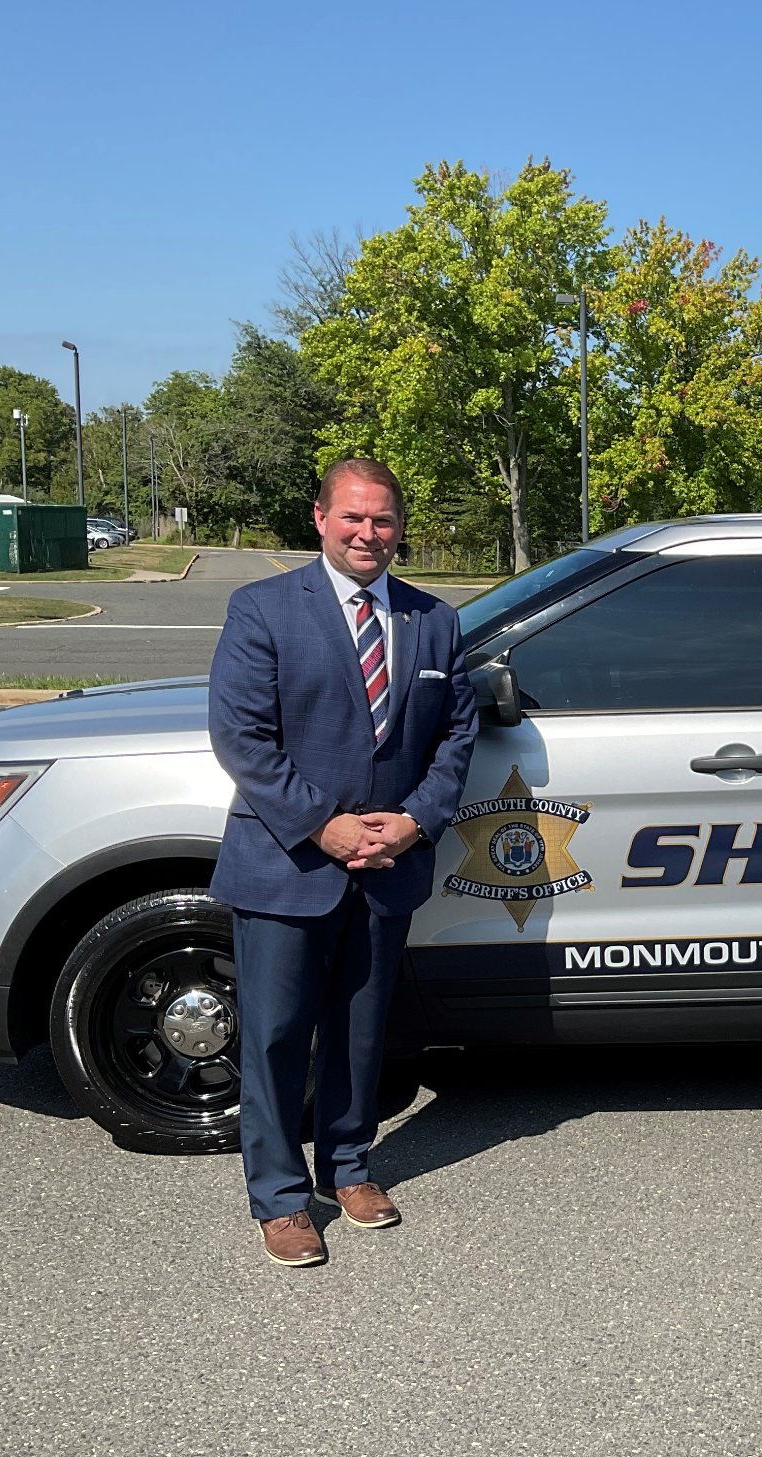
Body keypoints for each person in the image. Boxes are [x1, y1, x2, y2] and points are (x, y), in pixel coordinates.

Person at [208, 459, 479, 1267]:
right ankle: (281, 1199)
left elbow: (456, 737)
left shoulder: (435, 622)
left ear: (401, 526)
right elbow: (242, 738)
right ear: (319, 517)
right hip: (287, 862)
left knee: (362, 1033)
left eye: (385, 520)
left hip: (388, 864)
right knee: (278, 1035)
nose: (369, 534)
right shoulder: (261, 609)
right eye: (354, 518)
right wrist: (323, 824)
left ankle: (349, 1168)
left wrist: (415, 822)